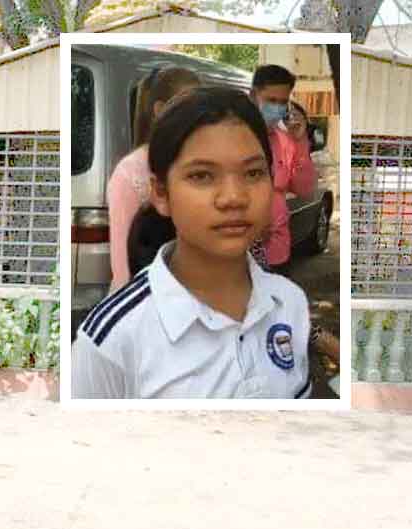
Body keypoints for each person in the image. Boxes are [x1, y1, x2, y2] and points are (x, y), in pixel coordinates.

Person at [73, 87, 312, 398]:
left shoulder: (289, 302)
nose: (234, 198)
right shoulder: (111, 340)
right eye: (202, 176)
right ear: (161, 193)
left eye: (253, 173)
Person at [107, 66, 202, 290]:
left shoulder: (201, 160)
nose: (196, 117)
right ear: (160, 110)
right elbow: (122, 264)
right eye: (187, 107)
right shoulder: (130, 172)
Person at [249, 64, 317, 272]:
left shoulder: (285, 140)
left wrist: (301, 142)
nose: (277, 108)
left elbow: (304, 189)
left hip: (277, 252)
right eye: (271, 100)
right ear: (253, 96)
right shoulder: (238, 136)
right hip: (244, 253)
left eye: (282, 102)